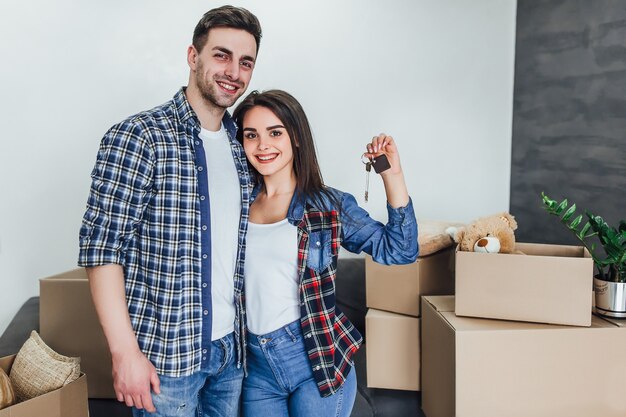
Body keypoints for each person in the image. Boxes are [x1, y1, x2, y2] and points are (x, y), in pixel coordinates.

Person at [77, 6, 262, 416]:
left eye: (245, 61)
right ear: (193, 57)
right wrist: (125, 355)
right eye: (221, 55)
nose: (234, 71)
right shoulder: (139, 136)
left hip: (231, 358)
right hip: (167, 361)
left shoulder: (244, 147)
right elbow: (101, 250)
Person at [232, 90, 418, 417]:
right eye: (251, 135)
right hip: (255, 367)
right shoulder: (233, 204)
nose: (262, 145)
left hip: (315, 360)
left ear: (297, 138)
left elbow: (400, 251)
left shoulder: (327, 205)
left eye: (275, 133)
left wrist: (392, 175)